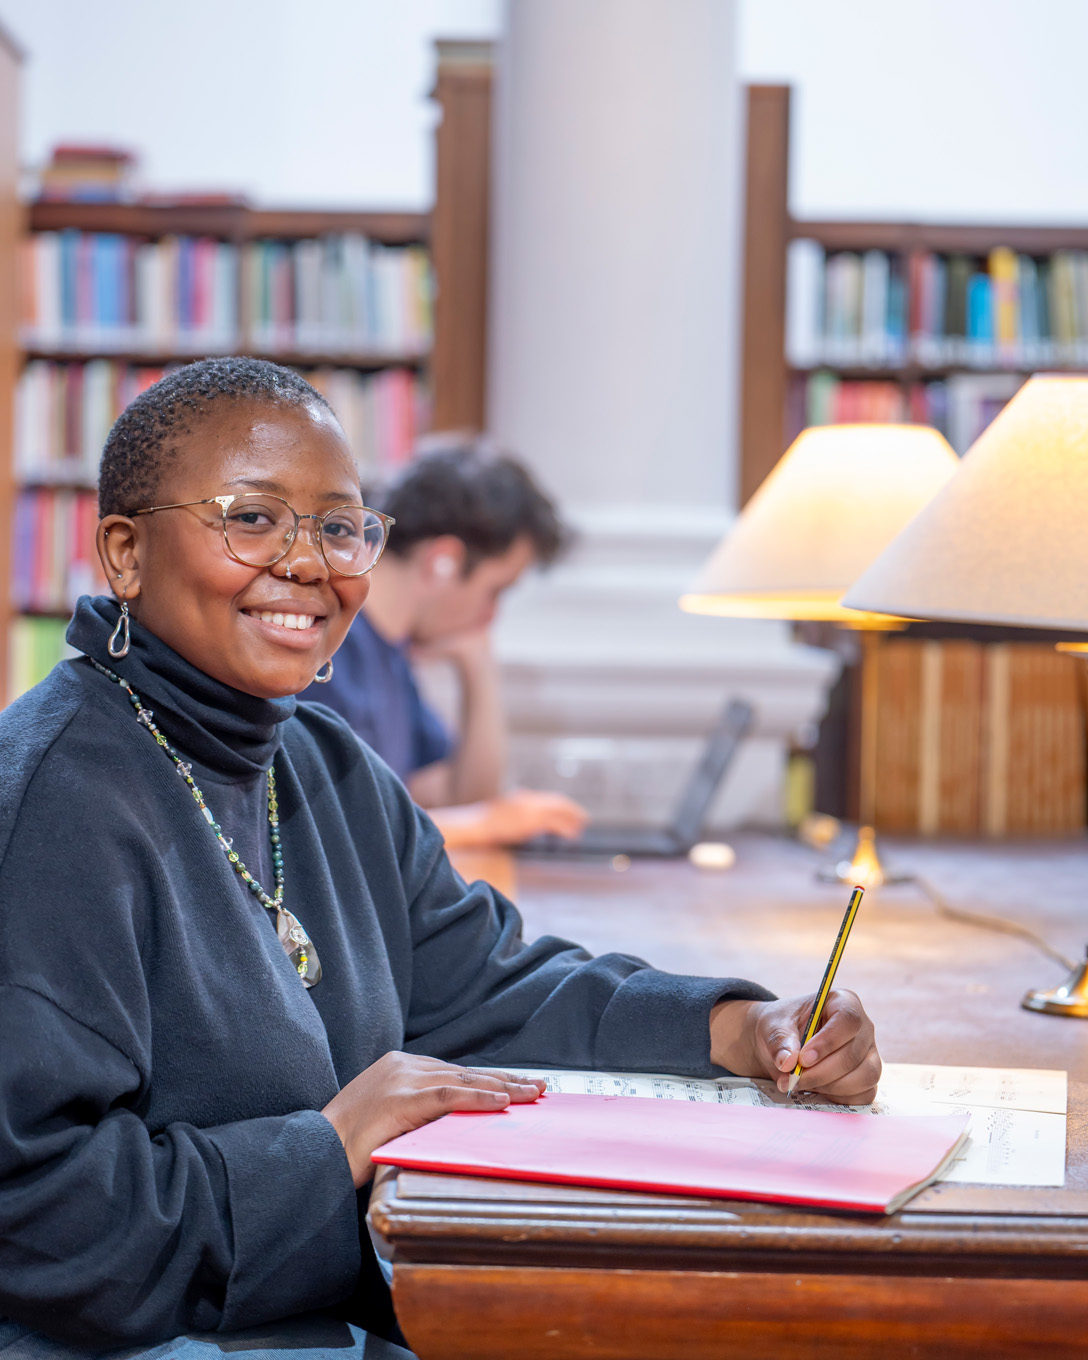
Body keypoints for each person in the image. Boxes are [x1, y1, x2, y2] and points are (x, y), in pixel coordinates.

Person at [0, 358, 881, 1360]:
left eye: (338, 526)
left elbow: (490, 983)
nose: (308, 563)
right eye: (250, 518)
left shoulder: (321, 762)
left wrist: (737, 1025)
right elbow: (41, 1218)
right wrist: (329, 1147)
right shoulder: (51, 801)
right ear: (123, 550)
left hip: (315, 1305)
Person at [300, 442, 588, 849]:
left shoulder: (391, 656)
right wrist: (487, 823)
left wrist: (479, 668)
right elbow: (333, 835)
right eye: (495, 591)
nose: (490, 617)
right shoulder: (324, 645)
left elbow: (458, 798)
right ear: (443, 561)